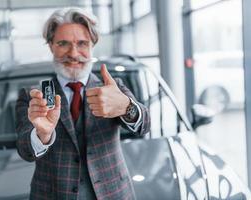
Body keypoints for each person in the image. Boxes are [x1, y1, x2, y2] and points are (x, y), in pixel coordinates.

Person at [15, 7, 150, 200]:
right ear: (51, 46)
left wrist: (125, 106)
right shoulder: (33, 97)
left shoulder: (113, 88)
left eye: (82, 43)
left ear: (92, 46)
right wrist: (41, 135)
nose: (73, 53)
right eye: (63, 43)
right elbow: (25, 150)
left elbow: (144, 126)